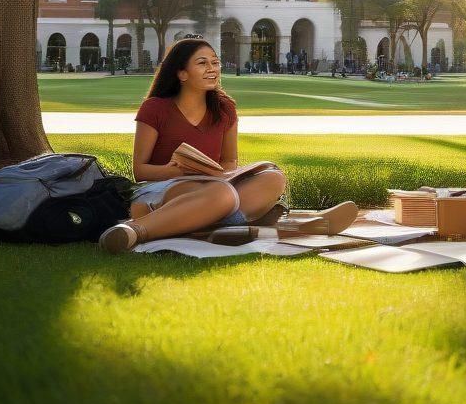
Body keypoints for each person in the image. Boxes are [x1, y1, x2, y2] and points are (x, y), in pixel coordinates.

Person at [99, 36, 356, 252]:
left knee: (273, 178)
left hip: (214, 185)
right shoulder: (155, 108)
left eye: (215, 62)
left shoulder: (225, 108)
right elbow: (140, 171)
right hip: (160, 188)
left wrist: (222, 173)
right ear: (181, 73)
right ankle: (136, 231)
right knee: (223, 196)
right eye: (202, 63)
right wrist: (177, 171)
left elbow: (230, 161)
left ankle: (202, 225)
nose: (212, 68)